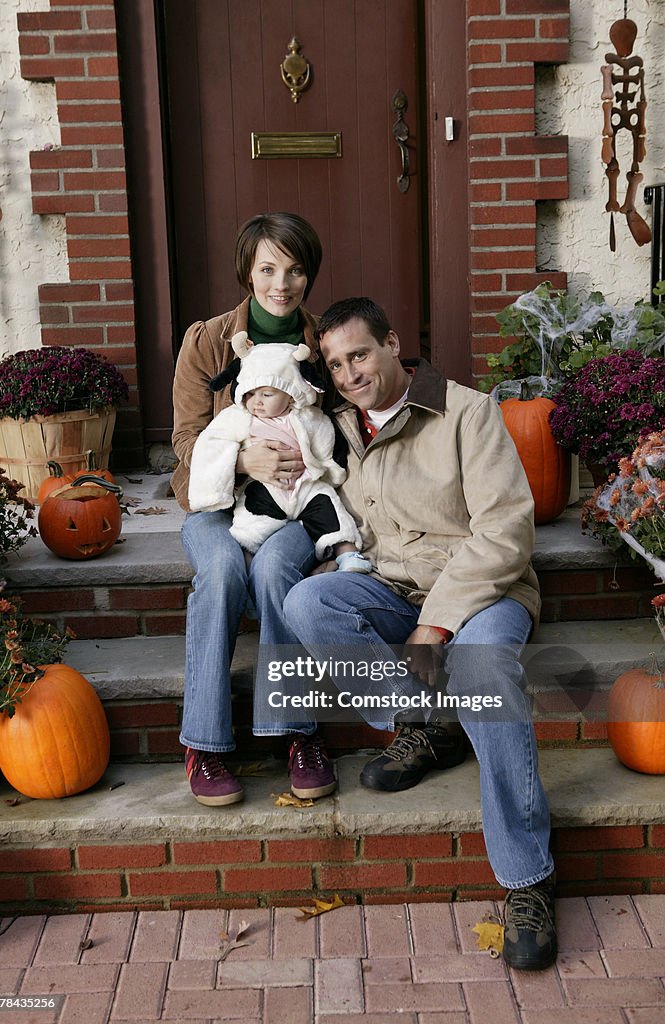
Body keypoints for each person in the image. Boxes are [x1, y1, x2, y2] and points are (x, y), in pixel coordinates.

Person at [282, 296, 557, 971]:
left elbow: (506, 532)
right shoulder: (340, 425)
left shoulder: (464, 411)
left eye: (360, 355)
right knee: (309, 603)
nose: (349, 373)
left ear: (392, 343)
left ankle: (527, 880)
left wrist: (437, 624)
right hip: (393, 586)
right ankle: (424, 719)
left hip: (479, 590)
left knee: (483, 670)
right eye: (336, 363)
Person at [171, 212, 339, 808]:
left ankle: (298, 734)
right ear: (247, 270)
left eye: (295, 270)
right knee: (219, 572)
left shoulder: (326, 341)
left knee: (273, 572)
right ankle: (206, 744)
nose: (281, 283)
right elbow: (187, 444)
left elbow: (346, 432)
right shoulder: (208, 341)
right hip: (218, 505)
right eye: (268, 268)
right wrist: (244, 460)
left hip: (296, 506)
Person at [187, 332, 370, 572]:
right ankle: (248, 557)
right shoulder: (240, 417)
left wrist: (328, 468)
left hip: (306, 487)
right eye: (250, 394)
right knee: (249, 527)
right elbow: (209, 443)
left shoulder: (308, 417)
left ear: (290, 394)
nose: (257, 402)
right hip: (265, 488)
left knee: (331, 508)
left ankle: (348, 554)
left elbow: (325, 440)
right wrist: (237, 462)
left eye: (267, 394)